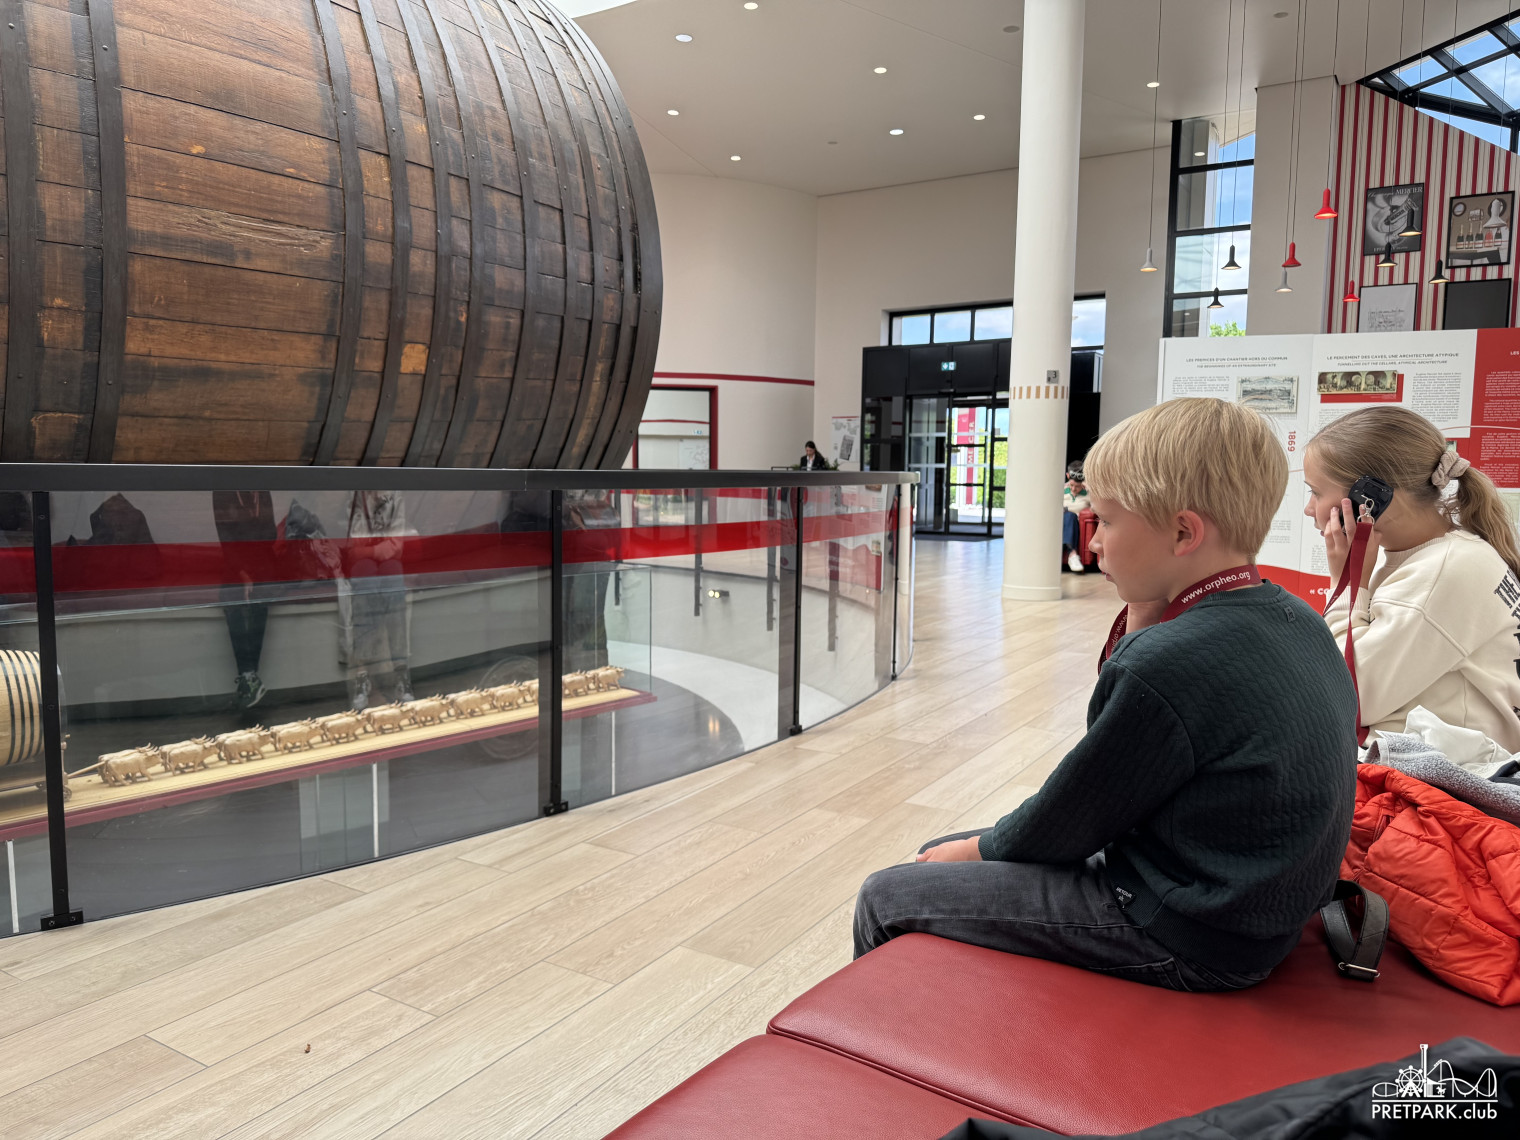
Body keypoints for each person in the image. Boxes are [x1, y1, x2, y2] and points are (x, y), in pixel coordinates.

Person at [853, 398, 1358, 991]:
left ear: (1183, 532)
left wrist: (981, 850)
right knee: (942, 854)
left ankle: (888, 1037)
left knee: (887, 894)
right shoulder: (1299, 619)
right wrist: (1145, 614)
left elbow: (1073, 816)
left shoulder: (1168, 660)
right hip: (1254, 913)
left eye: (1108, 523)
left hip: (1189, 932)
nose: (1093, 543)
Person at [1305, 405, 1520, 752]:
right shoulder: (1442, 556)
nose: (1308, 508)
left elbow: (1341, 697)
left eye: (1315, 492)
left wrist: (1346, 582)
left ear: (1370, 497)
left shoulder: (1438, 574)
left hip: (1443, 777)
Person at [343, 489, 413, 710]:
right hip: (365, 564)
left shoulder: (397, 495)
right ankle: (362, 674)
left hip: (387, 561)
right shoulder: (357, 495)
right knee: (365, 584)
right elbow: (355, 544)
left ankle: (401, 672)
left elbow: (396, 546)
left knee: (394, 581)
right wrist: (377, 549)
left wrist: (369, 551)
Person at [1062, 465, 1089, 573]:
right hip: (1058, 523)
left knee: (1070, 515)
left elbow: (1101, 507)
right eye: (1071, 485)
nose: (1073, 489)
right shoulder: (1061, 490)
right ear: (1068, 476)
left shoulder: (1088, 494)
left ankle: (1072, 554)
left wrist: (1090, 487)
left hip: (1074, 524)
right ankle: (1072, 555)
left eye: (1077, 486)